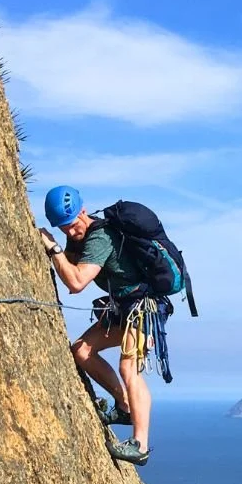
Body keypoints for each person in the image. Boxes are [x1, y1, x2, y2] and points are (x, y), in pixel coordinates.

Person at [39, 185, 168, 466]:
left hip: (143, 308)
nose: (70, 232)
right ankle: (124, 405)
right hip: (123, 308)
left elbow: (76, 282)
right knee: (82, 351)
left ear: (83, 211)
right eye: (63, 228)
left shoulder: (100, 237)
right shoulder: (78, 240)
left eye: (72, 225)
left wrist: (53, 248)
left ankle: (141, 445)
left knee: (128, 367)